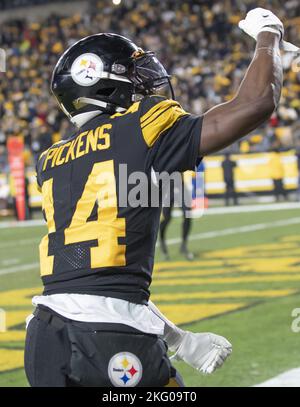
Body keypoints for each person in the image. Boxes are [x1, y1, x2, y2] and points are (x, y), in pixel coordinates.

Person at [24, 8, 283, 387]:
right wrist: (268, 35)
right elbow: (254, 104)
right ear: (102, 83)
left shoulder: (51, 160)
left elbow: (95, 286)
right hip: (109, 341)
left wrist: (178, 339)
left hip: (44, 337)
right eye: (134, 75)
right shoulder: (142, 124)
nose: (146, 83)